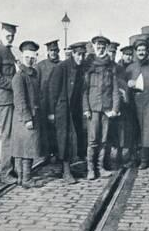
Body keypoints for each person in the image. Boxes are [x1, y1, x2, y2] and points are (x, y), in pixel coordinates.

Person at [48, 41, 88, 183]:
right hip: (62, 108)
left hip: (76, 108)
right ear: (73, 54)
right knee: (63, 139)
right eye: (78, 55)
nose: (81, 58)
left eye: (83, 55)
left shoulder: (82, 68)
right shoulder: (62, 67)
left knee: (76, 138)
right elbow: (52, 91)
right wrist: (52, 112)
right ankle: (66, 171)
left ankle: (72, 165)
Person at [83, 36, 120, 179]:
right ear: (94, 46)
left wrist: (115, 109)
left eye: (103, 46)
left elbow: (115, 89)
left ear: (106, 48)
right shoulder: (89, 65)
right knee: (92, 141)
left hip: (106, 109)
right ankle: (90, 169)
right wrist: (86, 108)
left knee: (104, 140)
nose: (101, 48)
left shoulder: (111, 66)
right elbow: (84, 90)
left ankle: (101, 167)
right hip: (93, 109)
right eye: (98, 46)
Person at [0, 22, 19, 184]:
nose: (10, 37)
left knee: (14, 135)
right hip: (5, 100)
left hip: (12, 99)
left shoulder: (9, 52)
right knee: (7, 136)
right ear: (1, 34)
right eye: (8, 35)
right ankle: (5, 173)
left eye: (12, 35)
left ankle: (12, 169)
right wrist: (13, 85)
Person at [11, 41, 45, 188]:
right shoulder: (19, 76)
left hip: (32, 115)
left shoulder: (34, 74)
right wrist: (27, 119)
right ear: (22, 58)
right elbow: (19, 99)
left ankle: (21, 178)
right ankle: (26, 179)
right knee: (27, 148)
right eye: (27, 57)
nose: (30, 60)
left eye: (32, 57)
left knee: (24, 147)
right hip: (24, 118)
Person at [126, 39, 149, 169]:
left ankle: (145, 159)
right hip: (134, 103)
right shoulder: (130, 68)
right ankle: (133, 157)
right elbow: (124, 88)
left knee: (147, 130)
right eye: (139, 50)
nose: (141, 52)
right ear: (136, 52)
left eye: (143, 50)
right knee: (133, 130)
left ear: (146, 51)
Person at [36, 39, 61, 163]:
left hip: (58, 103)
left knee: (57, 130)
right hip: (44, 103)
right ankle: (46, 154)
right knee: (45, 130)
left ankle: (57, 152)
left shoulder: (62, 65)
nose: (54, 53)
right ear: (47, 51)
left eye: (55, 50)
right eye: (51, 50)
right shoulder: (41, 66)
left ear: (58, 51)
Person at [113, 45, 136, 167]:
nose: (128, 57)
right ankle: (119, 154)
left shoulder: (134, 67)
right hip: (121, 102)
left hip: (132, 103)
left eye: (130, 55)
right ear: (122, 55)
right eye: (126, 54)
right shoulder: (118, 68)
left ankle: (131, 154)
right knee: (119, 130)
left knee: (131, 129)